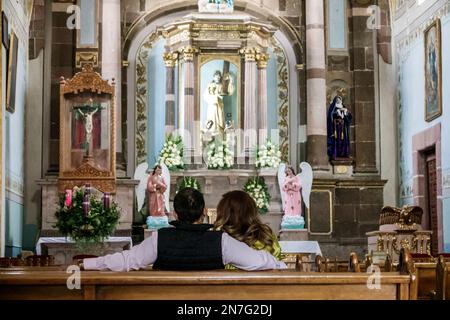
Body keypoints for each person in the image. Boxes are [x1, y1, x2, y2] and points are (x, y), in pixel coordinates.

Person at [80, 188, 286, 271]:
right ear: (204, 211)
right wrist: (282, 267)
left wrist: (88, 263)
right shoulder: (221, 241)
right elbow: (260, 261)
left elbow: (126, 260)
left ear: (175, 214)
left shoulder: (158, 238)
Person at [214, 191, 283, 269]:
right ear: (252, 211)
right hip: (266, 280)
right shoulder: (266, 234)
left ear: (224, 213)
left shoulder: (221, 238)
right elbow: (278, 263)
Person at [327, 95, 352, 160]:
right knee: (336, 140)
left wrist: (346, 112)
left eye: (339, 99)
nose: (338, 100)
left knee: (344, 140)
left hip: (343, 128)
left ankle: (344, 154)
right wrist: (336, 113)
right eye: (337, 100)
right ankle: (335, 154)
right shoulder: (333, 108)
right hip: (336, 127)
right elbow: (330, 117)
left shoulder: (344, 107)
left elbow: (349, 118)